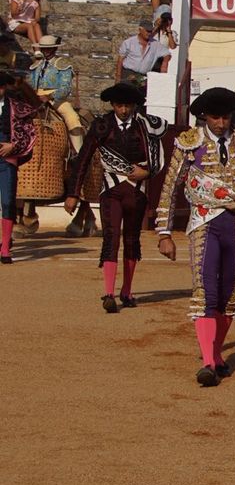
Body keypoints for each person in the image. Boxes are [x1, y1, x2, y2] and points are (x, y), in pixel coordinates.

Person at [155, 87, 235, 387]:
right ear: (204, 116)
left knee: (230, 294)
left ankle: (215, 354)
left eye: (226, 117)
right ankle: (209, 362)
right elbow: (169, 188)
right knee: (205, 291)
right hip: (203, 222)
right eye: (215, 117)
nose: (221, 124)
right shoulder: (190, 143)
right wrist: (164, 232)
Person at [64, 82, 169, 313]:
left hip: (137, 191)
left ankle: (127, 291)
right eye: (120, 105)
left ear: (133, 105)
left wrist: (148, 172)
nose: (124, 110)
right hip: (111, 190)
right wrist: (73, 193)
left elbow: (157, 158)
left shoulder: (145, 126)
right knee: (111, 238)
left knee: (131, 240)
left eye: (127, 105)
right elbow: (83, 159)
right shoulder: (102, 126)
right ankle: (109, 292)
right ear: (112, 105)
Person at [0, 61, 42, 263]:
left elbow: (28, 131)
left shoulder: (17, 106)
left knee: (8, 201)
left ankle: (5, 248)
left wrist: (13, 146)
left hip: (7, 157)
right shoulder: (36, 66)